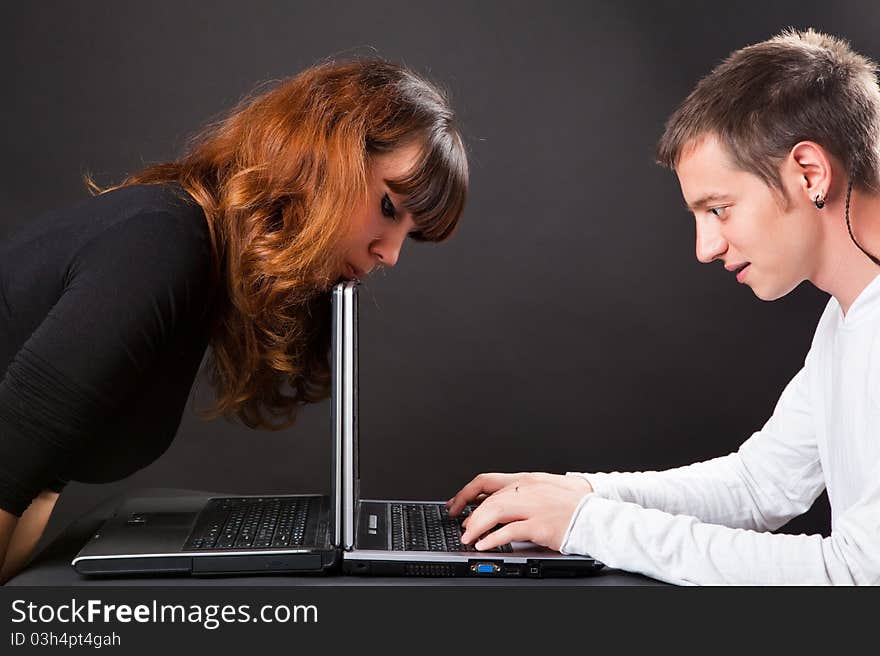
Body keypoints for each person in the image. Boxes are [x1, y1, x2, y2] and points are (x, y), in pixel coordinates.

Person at [0, 59, 468, 583]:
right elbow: (8, 469)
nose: (392, 255)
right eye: (388, 205)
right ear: (325, 156)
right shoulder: (161, 242)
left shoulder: (200, 266)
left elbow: (36, 481)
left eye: (413, 233)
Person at [447, 28, 880, 585]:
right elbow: (758, 485)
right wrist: (580, 494)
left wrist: (588, 523)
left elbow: (856, 576)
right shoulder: (848, 317)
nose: (706, 248)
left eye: (719, 209)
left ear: (809, 174)